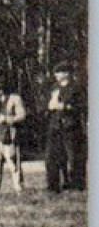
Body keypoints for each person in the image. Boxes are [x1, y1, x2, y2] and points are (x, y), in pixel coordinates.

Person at [45, 63, 86, 194]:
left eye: (60, 72)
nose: (57, 75)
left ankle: (76, 184)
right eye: (56, 73)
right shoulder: (54, 88)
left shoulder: (77, 88)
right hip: (55, 126)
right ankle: (53, 185)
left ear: (67, 73)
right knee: (52, 157)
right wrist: (48, 107)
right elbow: (47, 104)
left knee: (73, 157)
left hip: (71, 126)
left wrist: (66, 106)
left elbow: (83, 106)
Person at [0, 79, 27, 195]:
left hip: (9, 135)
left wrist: (7, 120)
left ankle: (19, 188)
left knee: (13, 162)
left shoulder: (15, 99)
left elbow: (22, 116)